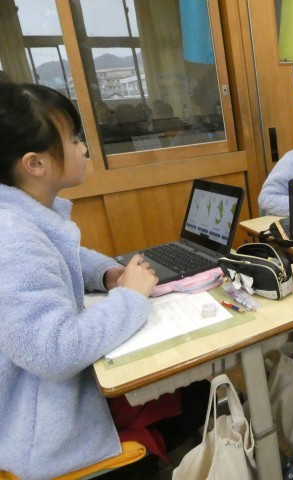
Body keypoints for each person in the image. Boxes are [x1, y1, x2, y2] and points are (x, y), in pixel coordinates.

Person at [0, 83, 202, 479]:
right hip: (43, 434)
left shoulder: (20, 215)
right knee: (199, 393)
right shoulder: (12, 239)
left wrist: (108, 274)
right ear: (35, 164)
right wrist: (130, 297)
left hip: (49, 403)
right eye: (74, 139)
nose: (83, 149)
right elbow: (54, 353)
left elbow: (65, 255)